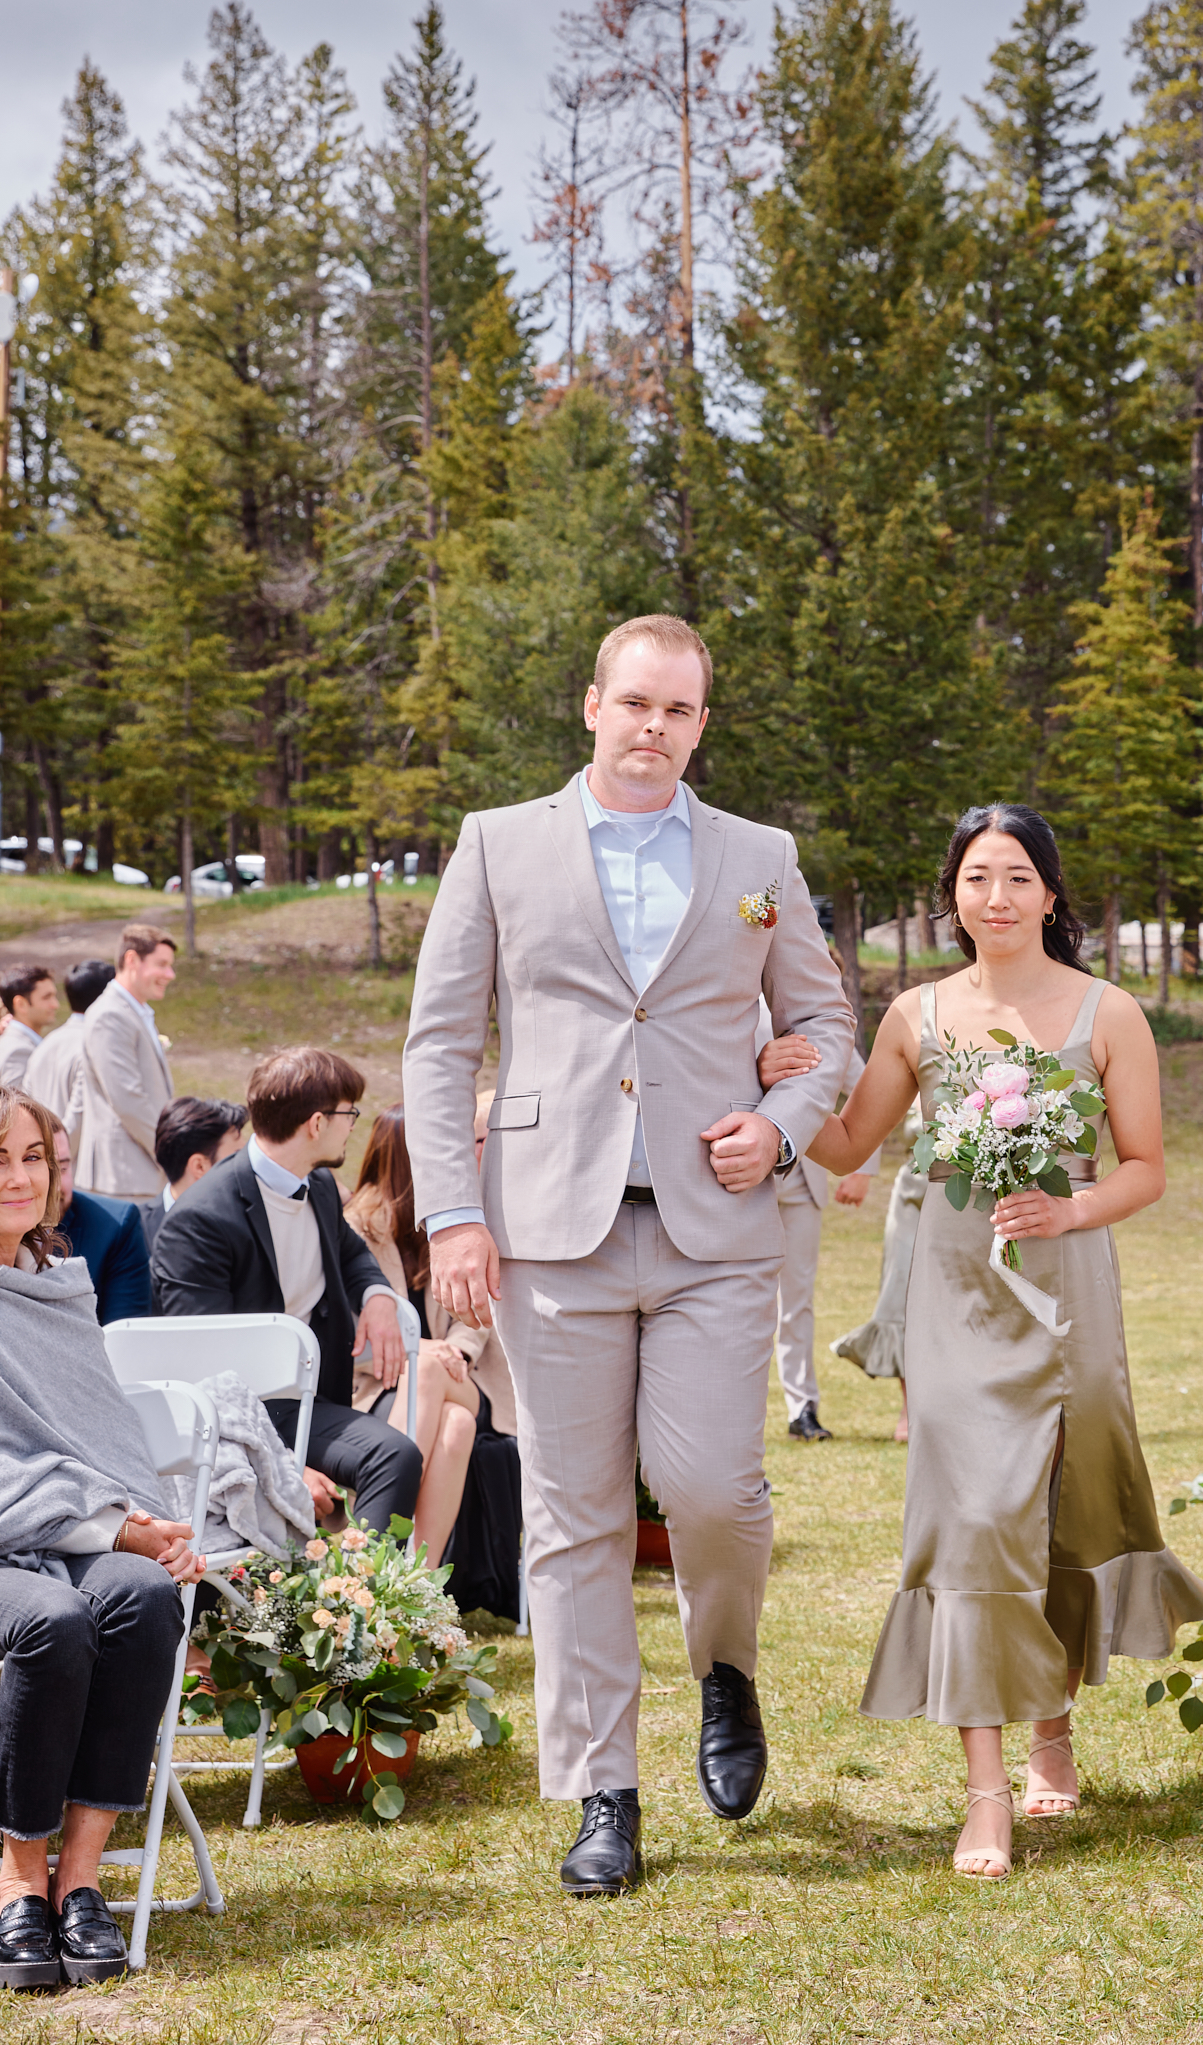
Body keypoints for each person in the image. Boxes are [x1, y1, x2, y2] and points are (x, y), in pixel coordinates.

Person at [402, 613, 853, 1897]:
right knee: (574, 1515)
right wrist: (453, 1213)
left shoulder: (759, 856)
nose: (655, 728)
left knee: (714, 1490)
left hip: (715, 1228)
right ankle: (604, 1788)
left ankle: (727, 1669)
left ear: (700, 724)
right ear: (590, 705)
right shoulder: (498, 845)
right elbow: (440, 1047)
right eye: (636, 703)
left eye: (681, 711)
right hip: (548, 1228)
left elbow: (821, 1017)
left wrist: (776, 1124)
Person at [804, 803, 1203, 1881]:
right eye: (976, 877)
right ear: (951, 893)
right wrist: (787, 1075)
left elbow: (1143, 1165)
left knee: (1060, 1507)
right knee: (974, 1517)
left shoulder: (1106, 1011)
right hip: (951, 1293)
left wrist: (1067, 1212)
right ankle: (983, 1793)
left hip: (1065, 1287)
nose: (996, 896)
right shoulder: (915, 1014)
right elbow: (847, 1139)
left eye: (1017, 877)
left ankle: (1050, 1727)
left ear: (1049, 894)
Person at [0, 1084, 205, 1991]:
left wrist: (149, 1532)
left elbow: (96, 1439)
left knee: (141, 1595)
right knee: (53, 1619)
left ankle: (80, 1880)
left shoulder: (58, 1289)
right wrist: (117, 1523)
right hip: (18, 1550)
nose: (16, 1177)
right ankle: (18, 1880)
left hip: (67, 1524)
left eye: (32, 1157)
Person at [151, 1046, 418, 1536]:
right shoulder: (200, 1219)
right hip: (236, 1417)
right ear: (317, 1123)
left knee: (397, 1455)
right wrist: (279, 1462)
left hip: (307, 1402)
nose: (353, 1125)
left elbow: (352, 1253)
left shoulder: (317, 1184)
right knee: (386, 1456)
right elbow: (201, 1364)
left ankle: (368, 1603)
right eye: (348, 1114)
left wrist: (377, 1296)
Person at [345, 1105, 520, 1588]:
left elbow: (480, 1309)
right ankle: (416, 1591)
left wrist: (454, 1352)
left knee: (430, 1375)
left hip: (467, 1375)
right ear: (409, 1160)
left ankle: (364, 1567)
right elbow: (351, 1331)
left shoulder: (462, 1222)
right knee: (455, 1426)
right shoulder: (355, 1229)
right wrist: (418, 1348)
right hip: (380, 1383)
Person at [752, 1008, 876, 1440]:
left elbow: (865, 1085)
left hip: (802, 1181)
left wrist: (863, 1167)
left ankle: (802, 1407)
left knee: (797, 1301)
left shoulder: (815, 1025)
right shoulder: (733, 1003)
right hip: (736, 1180)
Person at [833, 1129, 925, 1441]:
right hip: (914, 1190)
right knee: (899, 1292)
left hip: (973, 1193)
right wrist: (861, 1172)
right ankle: (910, 1407)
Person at [78, 927, 175, 1196]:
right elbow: (127, 1099)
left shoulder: (133, 1011)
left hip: (138, 1171)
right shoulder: (110, 1015)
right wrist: (170, 1153)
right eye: (162, 965)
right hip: (123, 1175)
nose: (170, 975)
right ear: (132, 960)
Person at [36, 1109, 152, 1325]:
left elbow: (124, 1337)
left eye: (62, 1167)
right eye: (39, 1166)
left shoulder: (115, 1226)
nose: (57, 1186)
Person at [26, 961, 116, 1159]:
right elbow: (79, 1114)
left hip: (47, 1157)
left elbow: (27, 1100)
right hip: (73, 1164)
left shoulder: (46, 1044)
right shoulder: (94, 1046)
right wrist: (59, 1161)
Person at [140, 1097, 249, 1253]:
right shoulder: (133, 1231)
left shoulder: (250, 1228)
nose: (245, 1165)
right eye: (236, 1157)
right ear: (199, 1166)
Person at [0, 966, 58, 1089]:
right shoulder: (18, 1050)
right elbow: (16, 1105)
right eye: (46, 997)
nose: (55, 1005)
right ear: (20, 1004)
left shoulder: (18, 1042)